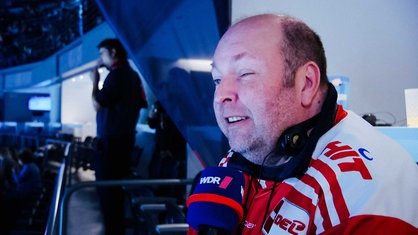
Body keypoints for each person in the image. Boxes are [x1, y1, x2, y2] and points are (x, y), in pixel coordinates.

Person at [187, 14, 418, 234]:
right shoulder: (242, 156)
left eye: (245, 73)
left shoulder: (366, 193)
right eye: (217, 79)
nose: (221, 95)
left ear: (306, 84)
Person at [91, 38, 147, 235]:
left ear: (113, 52)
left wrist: (95, 79)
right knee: (115, 196)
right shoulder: (133, 76)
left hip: (111, 144)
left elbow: (97, 104)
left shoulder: (116, 76)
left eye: (102, 54)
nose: (100, 59)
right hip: (124, 141)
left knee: (108, 195)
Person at [147, 101, 187, 202]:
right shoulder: (160, 104)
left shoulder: (180, 105)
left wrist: (174, 152)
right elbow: (152, 123)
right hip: (160, 151)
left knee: (171, 189)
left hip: (174, 154)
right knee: (156, 184)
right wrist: (152, 115)